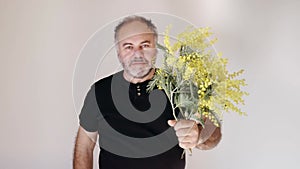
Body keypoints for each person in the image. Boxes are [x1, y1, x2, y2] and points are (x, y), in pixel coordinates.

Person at [73, 15, 222, 169]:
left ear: (155, 49)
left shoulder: (180, 86)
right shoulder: (100, 91)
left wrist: (198, 135)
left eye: (144, 45)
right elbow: (84, 147)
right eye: (128, 46)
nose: (137, 54)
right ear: (118, 51)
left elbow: (213, 136)